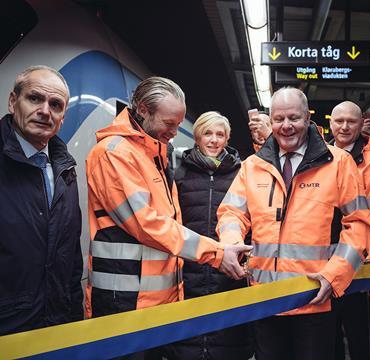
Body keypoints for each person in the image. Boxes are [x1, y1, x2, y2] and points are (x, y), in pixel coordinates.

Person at [217, 87, 370, 360]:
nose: (286, 126)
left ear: (307, 118)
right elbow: (231, 212)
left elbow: (359, 224)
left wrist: (333, 276)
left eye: (293, 118)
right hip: (264, 298)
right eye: (278, 119)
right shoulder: (252, 165)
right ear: (271, 120)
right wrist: (230, 243)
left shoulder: (339, 163)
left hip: (314, 298)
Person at [85, 77, 251, 321]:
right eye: (169, 123)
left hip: (156, 300)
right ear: (142, 110)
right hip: (123, 302)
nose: (174, 133)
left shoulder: (154, 155)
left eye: (178, 124)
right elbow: (146, 224)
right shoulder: (114, 154)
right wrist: (215, 253)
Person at [0, 66, 83, 335]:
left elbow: (72, 258)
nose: (45, 111)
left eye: (55, 105)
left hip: (55, 328)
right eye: (34, 98)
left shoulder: (65, 171)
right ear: (14, 102)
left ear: (62, 117)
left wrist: (73, 323)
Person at [167, 111, 253, 360]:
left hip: (228, 271)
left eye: (220, 134)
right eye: (208, 133)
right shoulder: (179, 172)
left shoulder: (241, 173)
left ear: (227, 139)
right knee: (187, 344)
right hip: (189, 269)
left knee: (227, 341)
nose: (214, 140)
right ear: (197, 137)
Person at [329, 101, 370, 360]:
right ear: (330, 123)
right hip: (324, 262)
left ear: (361, 125)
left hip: (360, 265)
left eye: (351, 121)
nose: (344, 127)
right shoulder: (318, 157)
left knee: (362, 338)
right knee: (328, 336)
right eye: (339, 121)